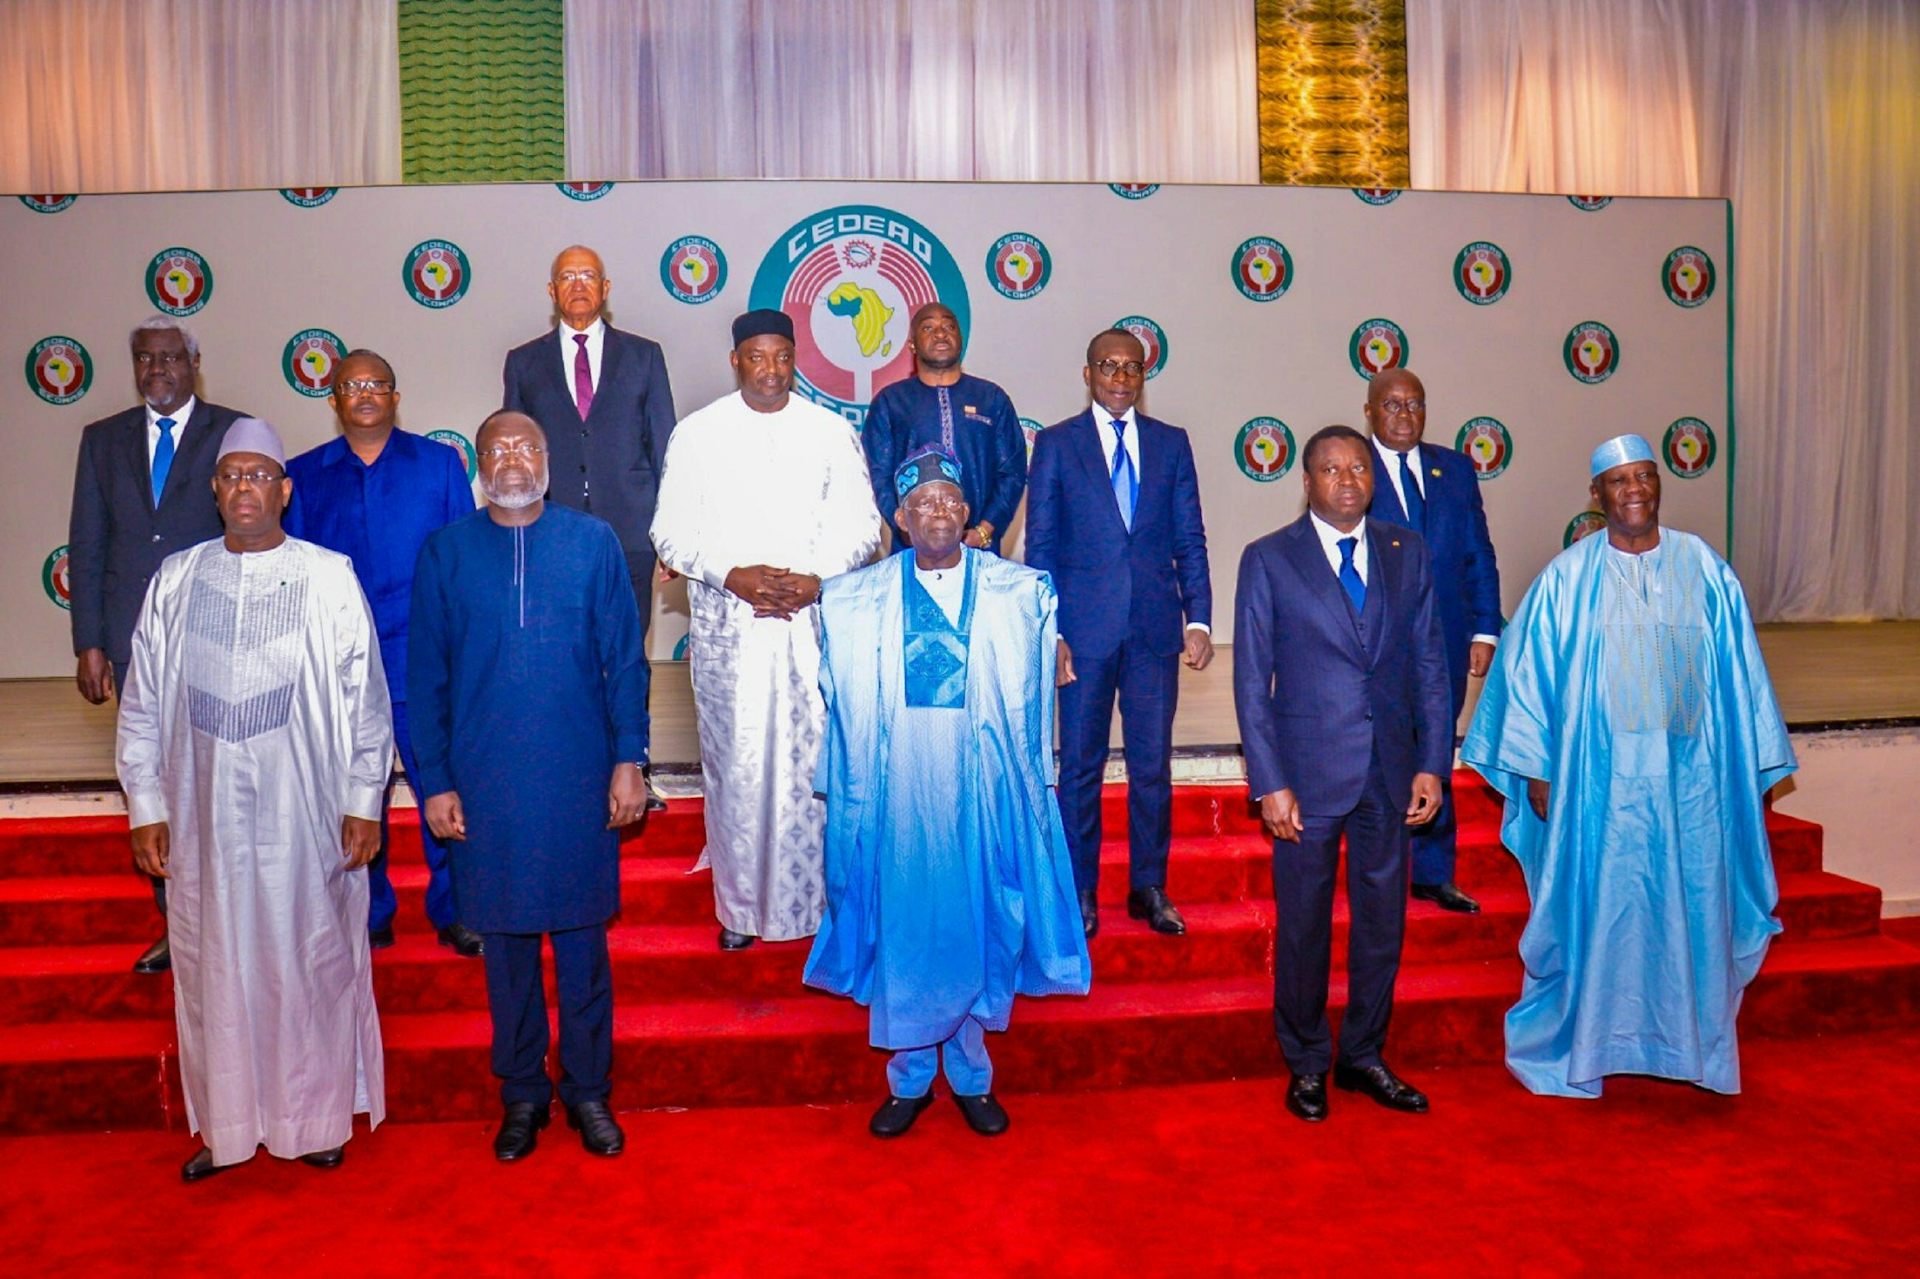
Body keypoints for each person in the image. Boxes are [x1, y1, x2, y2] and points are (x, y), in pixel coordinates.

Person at [1461, 433, 1796, 1098]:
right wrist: (1538, 768)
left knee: (1691, 908)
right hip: (1596, 790)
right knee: (1600, 909)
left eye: (1645, 476)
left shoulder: (1704, 568)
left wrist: (1746, 771)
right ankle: (1590, 1042)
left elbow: (1743, 682)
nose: (1635, 489)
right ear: (1597, 494)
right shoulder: (1566, 580)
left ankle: (1693, 1047)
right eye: (1619, 480)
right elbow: (1528, 679)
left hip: (1691, 790)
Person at [116, 417, 392, 1181]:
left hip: (306, 812)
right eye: (233, 475)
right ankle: (227, 1124)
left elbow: (366, 696)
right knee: (213, 966)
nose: (246, 487)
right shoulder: (176, 580)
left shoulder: (328, 576)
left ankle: (315, 1119)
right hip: (200, 815)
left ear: (285, 489)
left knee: (308, 957)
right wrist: (146, 804)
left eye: (260, 475)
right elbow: (142, 701)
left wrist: (363, 799)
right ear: (215, 489)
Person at [806, 449, 1092, 1139]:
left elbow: (1031, 693)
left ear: (968, 514)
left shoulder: (1018, 593)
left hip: (979, 787)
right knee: (908, 923)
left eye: (949, 500)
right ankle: (908, 1079)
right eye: (922, 503)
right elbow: (840, 697)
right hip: (900, 792)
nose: (937, 511)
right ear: (900, 519)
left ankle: (970, 1075)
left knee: (976, 915)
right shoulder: (855, 599)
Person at [409, 410, 650, 1161]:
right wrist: (436, 780)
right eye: (497, 448)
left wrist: (630, 759)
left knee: (582, 943)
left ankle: (588, 1090)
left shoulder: (593, 542)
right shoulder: (446, 551)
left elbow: (625, 660)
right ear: (478, 463)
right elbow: (426, 677)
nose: (513, 459)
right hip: (484, 783)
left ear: (548, 458)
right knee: (505, 948)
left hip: (579, 776)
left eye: (527, 446)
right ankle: (521, 1093)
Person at [1232, 425, 1452, 1123]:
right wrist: (1269, 781)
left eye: (1358, 467)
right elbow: (1251, 680)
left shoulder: (1406, 551)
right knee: (1303, 926)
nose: (1348, 479)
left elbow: (1430, 663)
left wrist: (1432, 762)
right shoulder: (1269, 558)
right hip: (1305, 777)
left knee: (1382, 924)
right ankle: (1305, 1060)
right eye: (1331, 469)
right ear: (1307, 482)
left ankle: (1363, 1054)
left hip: (1390, 772)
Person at [651, 309, 881, 950]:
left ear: (795, 360)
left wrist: (814, 579)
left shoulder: (831, 432)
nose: (771, 370)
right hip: (732, 632)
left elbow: (864, 526)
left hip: (811, 628)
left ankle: (816, 906)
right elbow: (669, 529)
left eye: (782, 357)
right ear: (736, 361)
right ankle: (740, 908)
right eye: (757, 357)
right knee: (739, 768)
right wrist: (732, 575)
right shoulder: (698, 435)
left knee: (813, 770)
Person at [285, 349, 481, 956]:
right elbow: (295, 572)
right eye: (352, 386)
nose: (365, 394)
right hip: (338, 666)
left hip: (423, 661)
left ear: (396, 397)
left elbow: (465, 562)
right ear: (333, 400)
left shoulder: (439, 465)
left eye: (377, 384)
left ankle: (457, 910)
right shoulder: (303, 474)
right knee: (352, 794)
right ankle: (367, 913)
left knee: (443, 787)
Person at [68, 316, 246, 975]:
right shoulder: (102, 439)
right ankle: (179, 926)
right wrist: (90, 640)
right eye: (146, 359)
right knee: (155, 783)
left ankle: (233, 920)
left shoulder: (233, 431)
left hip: (218, 633)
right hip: (131, 638)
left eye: (171, 357)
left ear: (195, 364)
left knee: (224, 783)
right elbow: (87, 542)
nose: (158, 369)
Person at [1025, 328, 1212, 940]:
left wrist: (1199, 618)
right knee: (1080, 766)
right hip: (1082, 635)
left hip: (1155, 631)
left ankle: (1148, 886)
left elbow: (1190, 537)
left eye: (1132, 367)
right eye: (1108, 366)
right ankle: (1080, 889)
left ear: (1143, 376)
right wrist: (1050, 629)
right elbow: (1041, 546)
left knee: (1151, 767)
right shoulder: (1057, 444)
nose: (1121, 377)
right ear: (1088, 374)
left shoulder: (1171, 443)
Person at [503, 245, 674, 811]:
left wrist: (670, 536)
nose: (578, 285)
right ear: (552, 291)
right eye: (567, 277)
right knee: (558, 657)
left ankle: (634, 769)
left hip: (630, 533)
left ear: (606, 288)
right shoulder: (523, 362)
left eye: (588, 276)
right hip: (550, 536)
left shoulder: (644, 356)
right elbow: (513, 453)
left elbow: (665, 448)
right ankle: (568, 772)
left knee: (627, 657)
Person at [1364, 368, 1502, 914]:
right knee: (1380, 756)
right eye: (1392, 404)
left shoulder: (1456, 469)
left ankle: (1433, 872)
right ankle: (1382, 871)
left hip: (1445, 638)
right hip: (1375, 645)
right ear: (1370, 412)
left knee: (1436, 750)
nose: (1405, 414)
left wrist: (1485, 626)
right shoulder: (1351, 466)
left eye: (1414, 404)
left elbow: (1478, 553)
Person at [860, 303, 1028, 556]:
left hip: (978, 550)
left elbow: (1012, 471)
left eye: (949, 326)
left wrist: (984, 530)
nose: (940, 333)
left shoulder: (991, 399)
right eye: (928, 328)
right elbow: (877, 475)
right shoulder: (891, 402)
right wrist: (908, 528)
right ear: (912, 345)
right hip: (911, 551)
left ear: (961, 338)